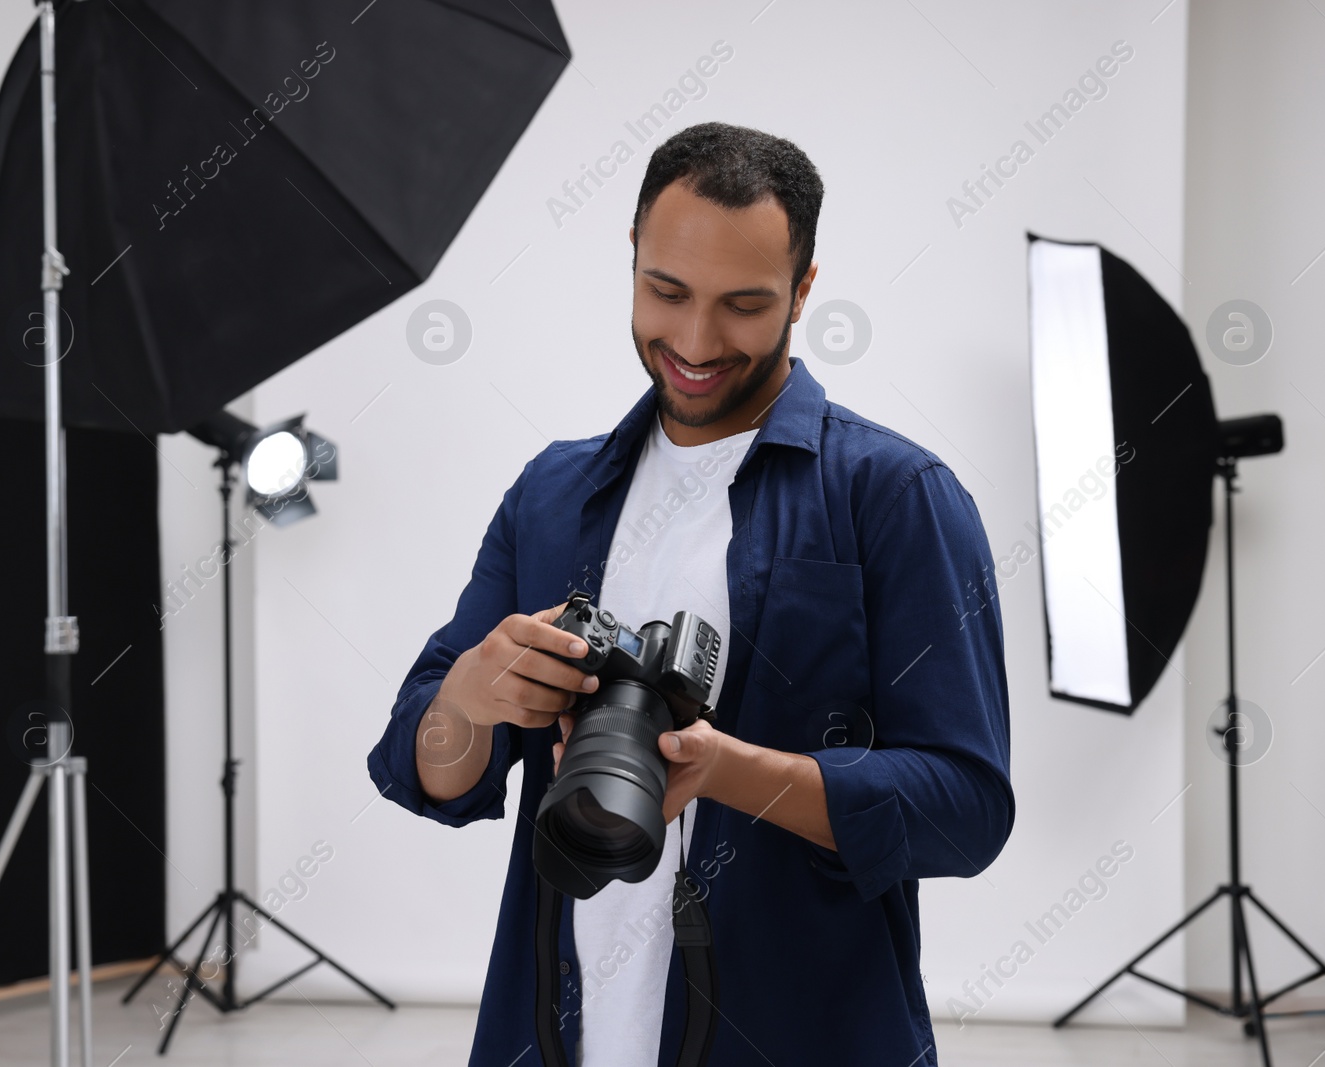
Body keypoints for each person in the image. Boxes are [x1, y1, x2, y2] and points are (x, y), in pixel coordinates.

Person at [368, 121, 1013, 1066]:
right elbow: (424, 768)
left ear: (803, 291)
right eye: (665, 292)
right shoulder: (551, 493)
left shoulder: (896, 496)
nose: (697, 341)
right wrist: (468, 693)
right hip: (552, 1034)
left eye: (745, 305)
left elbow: (965, 807)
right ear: (631, 259)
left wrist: (724, 769)